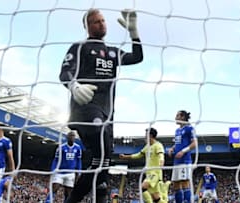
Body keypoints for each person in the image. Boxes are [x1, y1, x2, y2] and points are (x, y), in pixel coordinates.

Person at [59, 8, 143, 203]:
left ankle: (82, 198)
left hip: (107, 115)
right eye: (97, 21)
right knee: (102, 155)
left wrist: (134, 34)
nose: (102, 23)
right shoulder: (79, 48)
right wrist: (74, 86)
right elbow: (65, 72)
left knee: (102, 163)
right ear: (87, 26)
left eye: (103, 20)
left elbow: (137, 57)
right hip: (85, 110)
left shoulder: (113, 53)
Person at [119, 128, 166, 203]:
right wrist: (125, 157)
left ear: (150, 136)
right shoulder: (147, 146)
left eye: (145, 135)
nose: (144, 137)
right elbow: (138, 155)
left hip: (155, 173)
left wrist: (161, 161)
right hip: (149, 174)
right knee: (156, 199)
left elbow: (161, 155)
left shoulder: (158, 145)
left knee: (143, 187)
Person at [167, 110, 197, 203]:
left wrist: (183, 151)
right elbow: (177, 143)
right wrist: (172, 149)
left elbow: (194, 143)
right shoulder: (177, 131)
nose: (175, 118)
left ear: (182, 117)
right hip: (176, 161)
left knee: (184, 182)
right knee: (176, 184)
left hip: (185, 161)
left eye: (177, 116)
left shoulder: (189, 128)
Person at [46, 131, 82, 203]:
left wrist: (79, 172)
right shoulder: (61, 147)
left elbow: (78, 161)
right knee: (55, 187)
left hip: (71, 173)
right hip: (60, 172)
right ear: (67, 137)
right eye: (70, 136)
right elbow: (55, 160)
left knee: (68, 193)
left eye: (73, 136)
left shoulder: (78, 148)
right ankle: (48, 201)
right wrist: (53, 170)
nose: (72, 137)